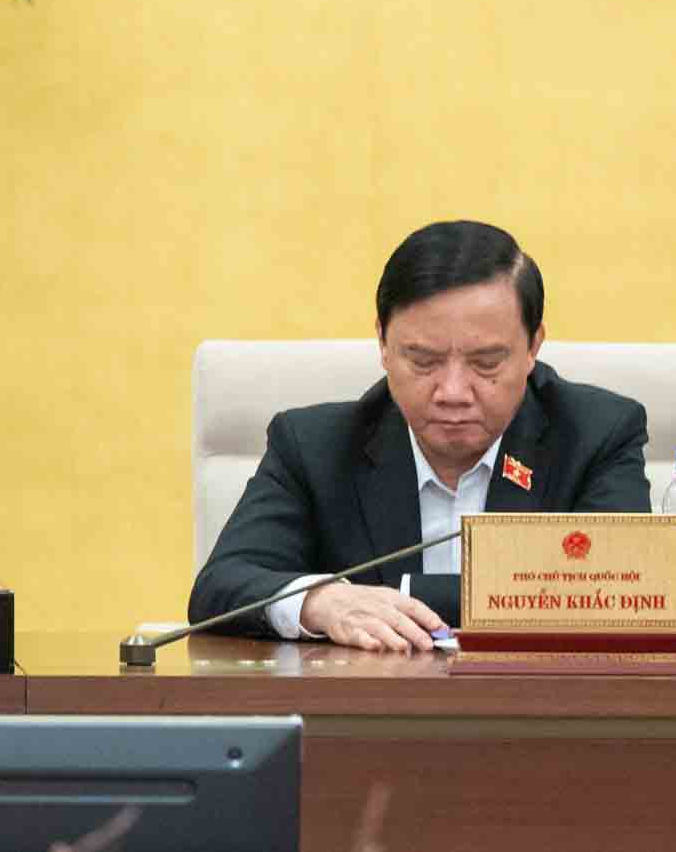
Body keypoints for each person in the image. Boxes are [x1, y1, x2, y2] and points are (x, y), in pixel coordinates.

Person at [188, 220, 651, 651]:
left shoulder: (595, 435)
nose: (453, 392)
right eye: (424, 362)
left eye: (486, 363)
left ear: (533, 347)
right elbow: (221, 585)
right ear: (383, 345)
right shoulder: (314, 447)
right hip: (369, 706)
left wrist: (408, 594)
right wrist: (320, 601)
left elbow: (627, 594)